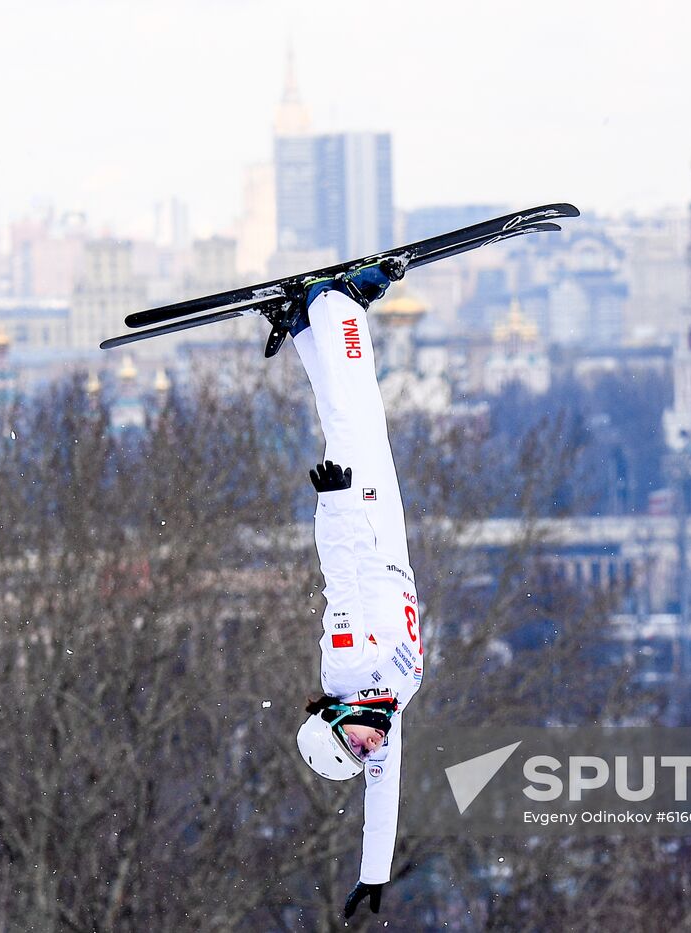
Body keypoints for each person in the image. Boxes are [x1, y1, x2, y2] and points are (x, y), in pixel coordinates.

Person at [289, 258, 424, 919]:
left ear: (336, 719)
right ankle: (304, 327)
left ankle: (335, 304)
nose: (372, 746)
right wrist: (375, 874)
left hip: (363, 526)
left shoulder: (346, 666)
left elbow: (338, 576)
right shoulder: (385, 718)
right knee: (352, 415)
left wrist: (336, 503)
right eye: (366, 751)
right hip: (391, 548)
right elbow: (383, 796)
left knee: (359, 416)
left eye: (358, 742)